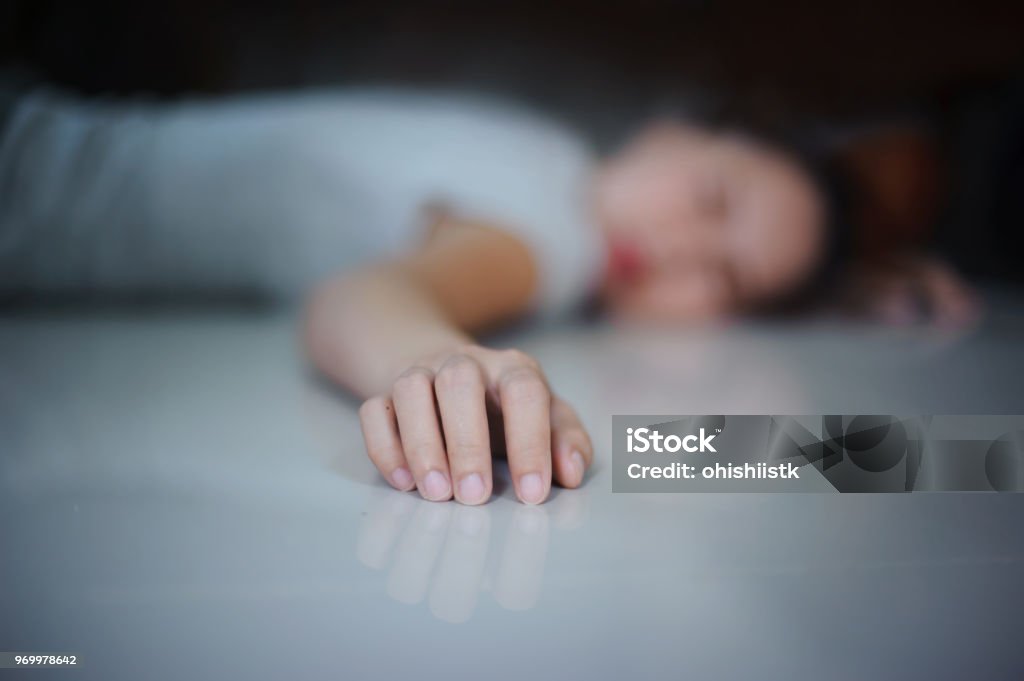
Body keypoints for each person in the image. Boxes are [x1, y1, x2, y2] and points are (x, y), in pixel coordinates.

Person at [0, 84, 978, 505]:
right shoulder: (548, 219)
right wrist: (437, 362)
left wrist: (859, 288)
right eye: (710, 197)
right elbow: (364, 295)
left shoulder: (534, 155)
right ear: (674, 129)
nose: (678, 249)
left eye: (723, 278)